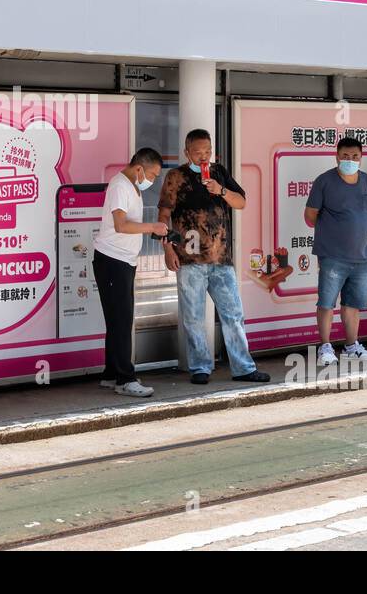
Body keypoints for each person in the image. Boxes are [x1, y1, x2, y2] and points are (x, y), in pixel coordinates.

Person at [159, 129, 271, 385]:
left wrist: (220, 191)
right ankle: (200, 366)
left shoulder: (219, 172)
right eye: (198, 152)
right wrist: (167, 248)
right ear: (187, 152)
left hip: (221, 258)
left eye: (207, 152)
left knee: (233, 314)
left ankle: (243, 367)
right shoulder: (175, 176)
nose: (203, 157)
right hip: (188, 258)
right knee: (193, 316)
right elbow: (164, 214)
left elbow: (241, 202)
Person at [304, 136, 367, 366]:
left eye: (355, 156)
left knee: (353, 305)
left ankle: (352, 346)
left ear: (361, 158)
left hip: (362, 256)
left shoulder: (365, 180)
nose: (350, 160)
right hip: (333, 256)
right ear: (336, 156)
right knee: (326, 303)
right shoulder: (324, 181)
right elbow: (310, 216)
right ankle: (325, 348)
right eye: (345, 156)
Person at [93, 147, 167, 397]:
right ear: (139, 169)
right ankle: (126, 379)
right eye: (153, 175)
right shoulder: (120, 186)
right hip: (112, 260)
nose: (153, 180)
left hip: (122, 261)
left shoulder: (131, 185)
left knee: (117, 319)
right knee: (122, 320)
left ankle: (111, 373)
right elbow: (121, 225)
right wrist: (152, 227)